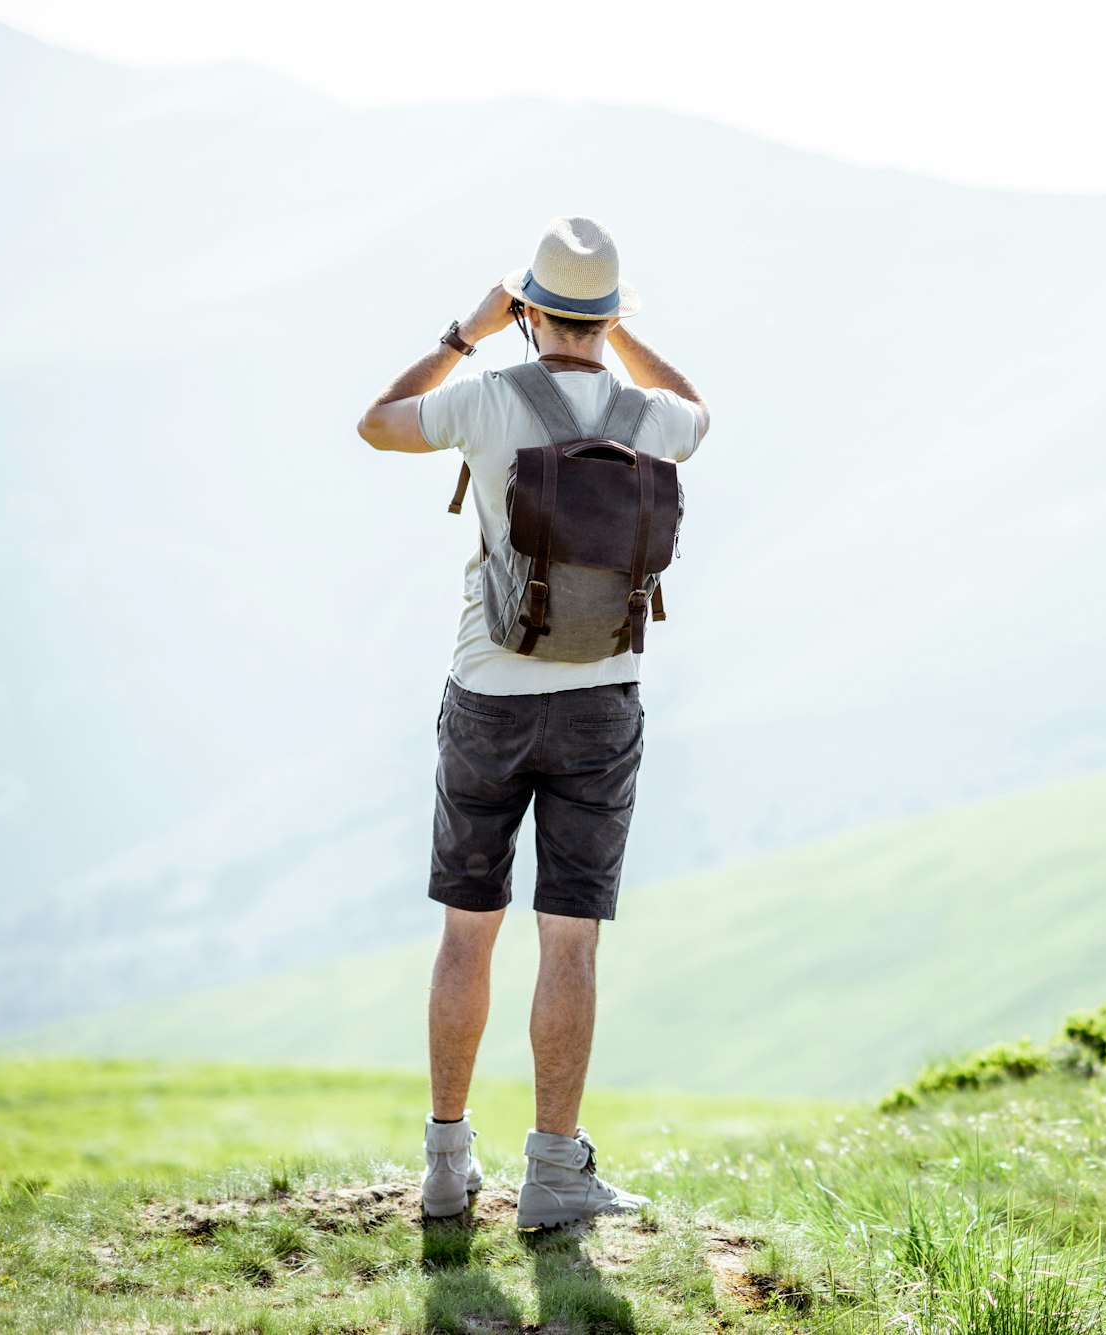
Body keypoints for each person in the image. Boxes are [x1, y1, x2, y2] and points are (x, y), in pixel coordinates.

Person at [356, 216, 709, 1228]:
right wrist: (620, 341)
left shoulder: (484, 397)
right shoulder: (648, 415)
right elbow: (699, 410)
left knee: (467, 935)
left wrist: (467, 333)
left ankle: (443, 1164)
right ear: (604, 317)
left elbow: (378, 420)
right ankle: (554, 1177)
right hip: (601, 700)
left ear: (528, 311)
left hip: (487, 698)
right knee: (570, 943)